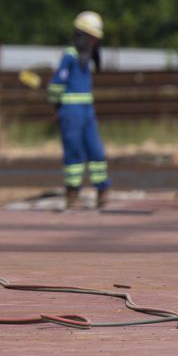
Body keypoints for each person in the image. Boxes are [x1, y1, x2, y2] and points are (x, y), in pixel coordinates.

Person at [47, 11, 109, 210]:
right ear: (82, 35)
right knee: (74, 154)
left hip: (87, 112)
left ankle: (102, 190)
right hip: (71, 112)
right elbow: (56, 85)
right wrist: (57, 106)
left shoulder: (87, 59)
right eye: (91, 37)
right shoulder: (70, 56)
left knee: (96, 151)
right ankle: (72, 193)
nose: (93, 42)